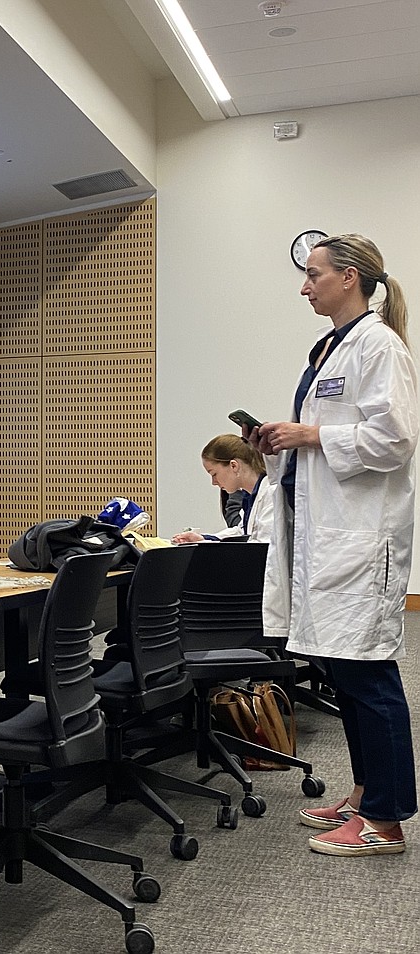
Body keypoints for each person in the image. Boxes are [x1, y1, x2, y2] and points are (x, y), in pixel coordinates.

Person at [250, 233, 418, 856]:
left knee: (367, 677)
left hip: (361, 539)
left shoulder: (379, 345)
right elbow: (335, 433)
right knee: (343, 675)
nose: (304, 286)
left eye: (313, 275)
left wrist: (313, 434)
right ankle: (369, 789)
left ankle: (385, 820)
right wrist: (285, 442)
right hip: (328, 535)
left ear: (348, 277)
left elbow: (395, 440)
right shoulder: (332, 347)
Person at [171, 434, 290, 638]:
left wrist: (211, 546)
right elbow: (242, 530)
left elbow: (260, 547)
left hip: (264, 588)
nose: (214, 482)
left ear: (233, 466)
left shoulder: (271, 493)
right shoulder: (253, 495)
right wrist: (206, 539)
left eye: (214, 473)